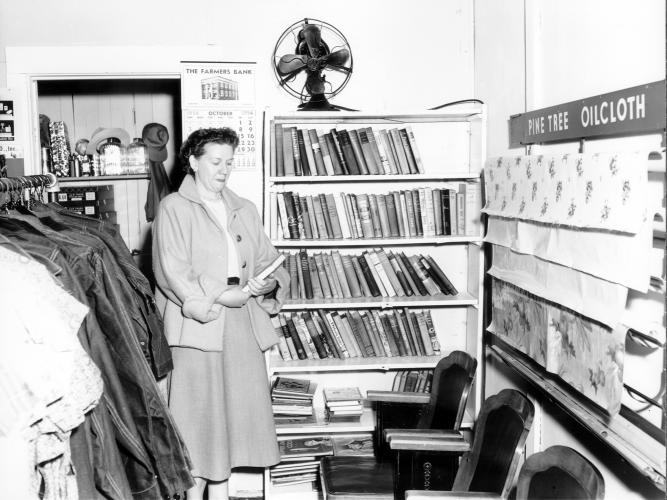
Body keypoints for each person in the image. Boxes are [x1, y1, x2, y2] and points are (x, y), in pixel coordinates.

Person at [152, 127, 290, 500]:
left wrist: (268, 283)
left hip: (241, 322)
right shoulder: (173, 208)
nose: (224, 169)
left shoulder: (243, 206)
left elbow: (267, 259)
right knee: (198, 422)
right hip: (199, 326)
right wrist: (218, 294)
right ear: (193, 162)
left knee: (232, 417)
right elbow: (172, 271)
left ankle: (222, 494)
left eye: (229, 162)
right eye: (216, 161)